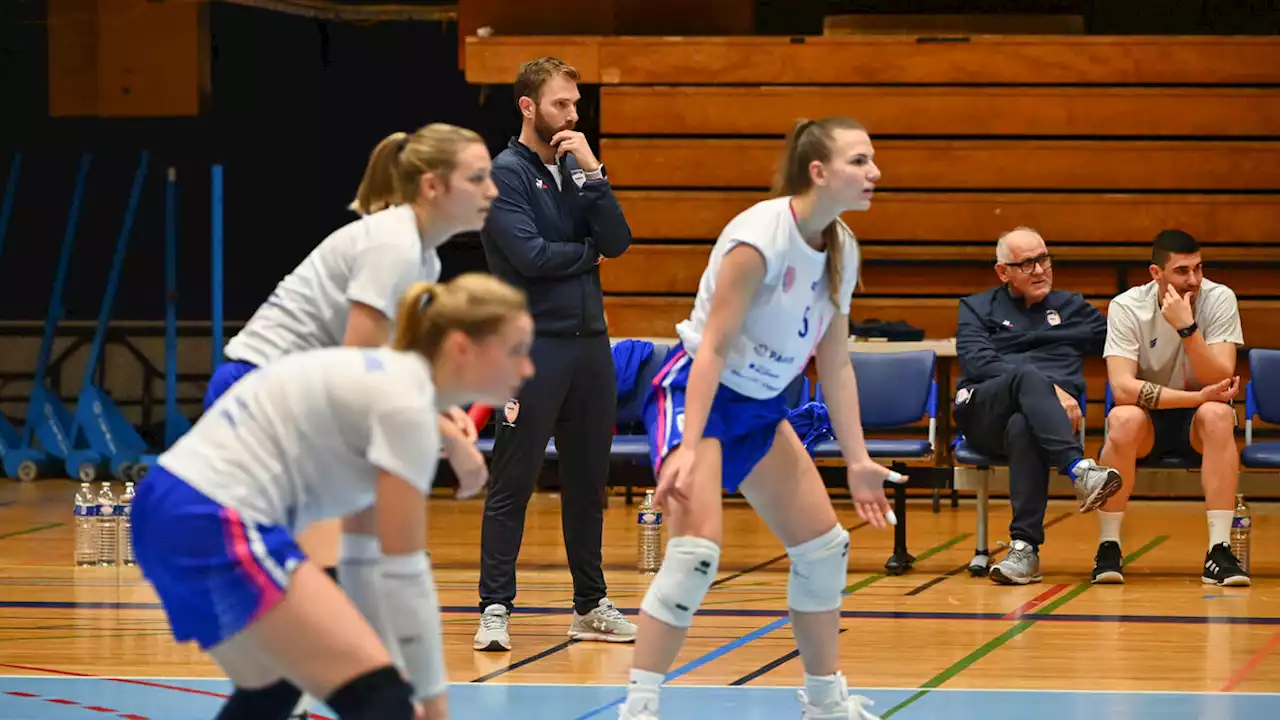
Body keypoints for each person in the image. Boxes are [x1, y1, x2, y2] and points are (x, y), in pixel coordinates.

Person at [132, 274, 536, 720]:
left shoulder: (397, 391)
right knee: (378, 701)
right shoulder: (405, 406)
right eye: (516, 351)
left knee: (278, 690)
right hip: (210, 514)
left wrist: (399, 675)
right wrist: (432, 701)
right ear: (462, 347)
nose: (528, 369)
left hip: (171, 508)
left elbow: (362, 563)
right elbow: (405, 576)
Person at [210, 123, 497, 718]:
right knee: (327, 582)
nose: (492, 189)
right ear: (432, 185)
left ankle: (369, 690)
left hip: (301, 405)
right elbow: (360, 370)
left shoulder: (423, 254)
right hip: (260, 399)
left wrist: (443, 410)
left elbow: (397, 359)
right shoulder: (391, 245)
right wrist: (448, 437)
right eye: (478, 177)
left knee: (343, 577)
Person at [618, 117, 899, 720]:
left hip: (764, 408)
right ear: (818, 172)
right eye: (859, 161)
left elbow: (837, 362)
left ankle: (824, 703)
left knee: (824, 549)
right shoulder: (758, 239)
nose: (874, 172)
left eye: (872, 160)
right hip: (701, 396)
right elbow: (713, 348)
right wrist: (687, 447)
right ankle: (638, 709)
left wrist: (858, 461)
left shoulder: (842, 249)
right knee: (695, 556)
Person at [473, 55, 634, 651]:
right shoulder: (503, 175)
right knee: (512, 480)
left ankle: (589, 605)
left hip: (592, 347)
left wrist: (594, 172)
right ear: (528, 106)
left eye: (575, 102)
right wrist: (584, 254)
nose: (573, 113)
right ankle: (494, 607)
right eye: (561, 103)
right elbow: (532, 257)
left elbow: (617, 241)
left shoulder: (575, 168)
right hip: (532, 350)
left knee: (589, 483)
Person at [953, 227, 1123, 586]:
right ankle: (1079, 470)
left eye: (1043, 258)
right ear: (1003, 272)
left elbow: (1123, 339)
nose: (1040, 269)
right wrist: (1049, 389)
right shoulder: (977, 307)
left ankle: (1024, 550)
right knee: (1028, 378)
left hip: (1045, 425)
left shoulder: (1072, 308)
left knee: (1024, 426)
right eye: (1027, 263)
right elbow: (977, 362)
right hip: (984, 411)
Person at [1096, 229, 1248, 586]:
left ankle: (1219, 551)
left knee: (1219, 414)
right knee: (1121, 419)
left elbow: (1221, 376)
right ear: (1156, 273)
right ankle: (1108, 547)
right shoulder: (1126, 306)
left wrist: (1188, 328)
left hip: (1200, 422)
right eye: (1182, 271)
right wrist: (1198, 396)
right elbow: (1121, 388)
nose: (1193, 280)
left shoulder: (1220, 298)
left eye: (1198, 268)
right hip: (1150, 420)